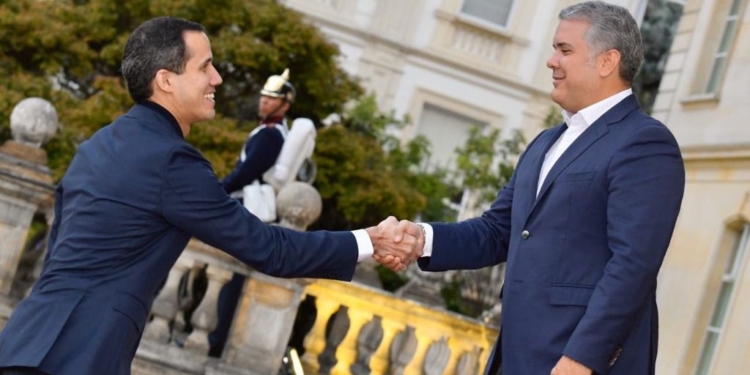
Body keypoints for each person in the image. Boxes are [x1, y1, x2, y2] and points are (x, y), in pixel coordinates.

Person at [0, 17, 420, 375]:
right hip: (82, 355)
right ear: (165, 80)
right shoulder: (172, 162)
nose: (217, 78)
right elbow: (270, 249)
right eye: (205, 67)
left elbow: (59, 252)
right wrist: (369, 241)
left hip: (23, 340)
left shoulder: (96, 146)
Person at [377, 2, 685, 374]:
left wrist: (582, 359)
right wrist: (421, 239)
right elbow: (497, 232)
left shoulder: (645, 143)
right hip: (516, 356)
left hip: (575, 363)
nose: (551, 61)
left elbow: (634, 265)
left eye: (565, 50)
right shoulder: (545, 143)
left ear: (607, 61)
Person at [208, 69, 296, 356]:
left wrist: (217, 190)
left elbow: (246, 172)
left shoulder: (271, 135)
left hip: (248, 204)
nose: (264, 103)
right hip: (247, 201)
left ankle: (217, 339)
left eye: (272, 99)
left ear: (285, 104)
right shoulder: (269, 131)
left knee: (232, 275)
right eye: (263, 97)